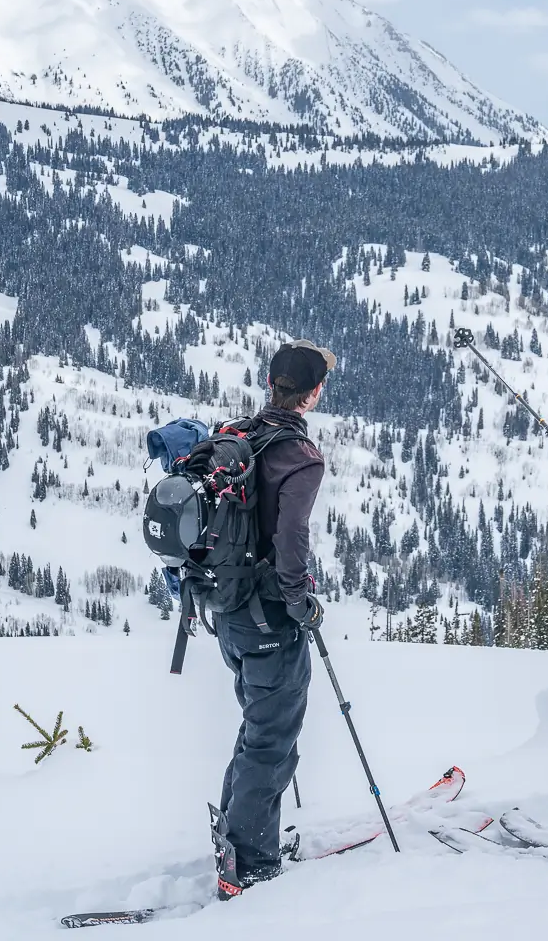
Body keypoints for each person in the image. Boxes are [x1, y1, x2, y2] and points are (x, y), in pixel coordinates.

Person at [211, 340, 333, 895]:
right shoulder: (299, 457)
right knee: (272, 739)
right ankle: (251, 865)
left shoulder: (237, 436)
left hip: (227, 609)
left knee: (258, 728)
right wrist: (300, 602)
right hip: (267, 619)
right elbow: (291, 541)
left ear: (269, 383)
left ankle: (236, 841)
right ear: (315, 393)